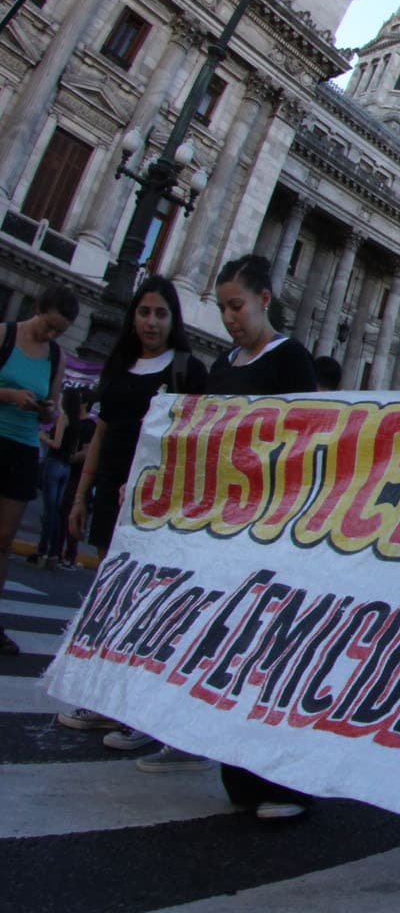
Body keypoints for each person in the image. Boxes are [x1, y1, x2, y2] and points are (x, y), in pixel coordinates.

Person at [55, 276, 209, 749]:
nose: (150, 322)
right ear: (133, 317)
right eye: (144, 312)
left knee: (148, 604)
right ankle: (105, 698)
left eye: (161, 313)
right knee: (109, 598)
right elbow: (101, 434)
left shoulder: (187, 369)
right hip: (109, 491)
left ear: (173, 319)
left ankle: (139, 708)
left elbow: (198, 439)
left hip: (154, 500)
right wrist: (81, 496)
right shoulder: (120, 364)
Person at [196, 255, 321, 814]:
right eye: (223, 307)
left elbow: (313, 437)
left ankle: (280, 778)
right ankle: (239, 775)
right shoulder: (222, 361)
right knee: (227, 648)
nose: (229, 318)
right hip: (223, 524)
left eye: (236, 305)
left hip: (271, 522)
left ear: (264, 299)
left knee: (267, 651)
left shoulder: (290, 358)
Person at [0, 283, 76, 656]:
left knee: (3, 540)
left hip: (24, 447)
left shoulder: (55, 355)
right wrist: (9, 396)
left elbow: (55, 407)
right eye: (48, 326)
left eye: (58, 331)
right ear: (36, 309)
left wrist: (47, 410)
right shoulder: (5, 334)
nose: (50, 335)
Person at [29, 387, 73, 567]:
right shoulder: (76, 421)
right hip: (66, 466)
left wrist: (44, 437)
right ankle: (54, 551)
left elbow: (57, 443)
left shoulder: (63, 418)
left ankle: (43, 550)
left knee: (50, 511)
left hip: (55, 463)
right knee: (55, 510)